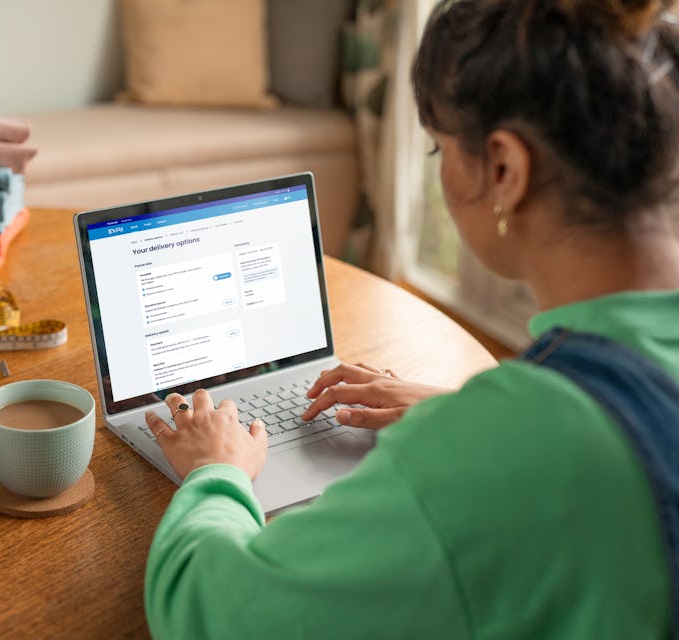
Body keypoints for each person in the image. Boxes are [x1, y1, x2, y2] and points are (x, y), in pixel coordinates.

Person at [141, 0, 679, 637]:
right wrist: (460, 412)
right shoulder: (537, 428)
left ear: (505, 168)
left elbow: (211, 612)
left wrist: (215, 472)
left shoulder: (497, 454)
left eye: (438, 149)